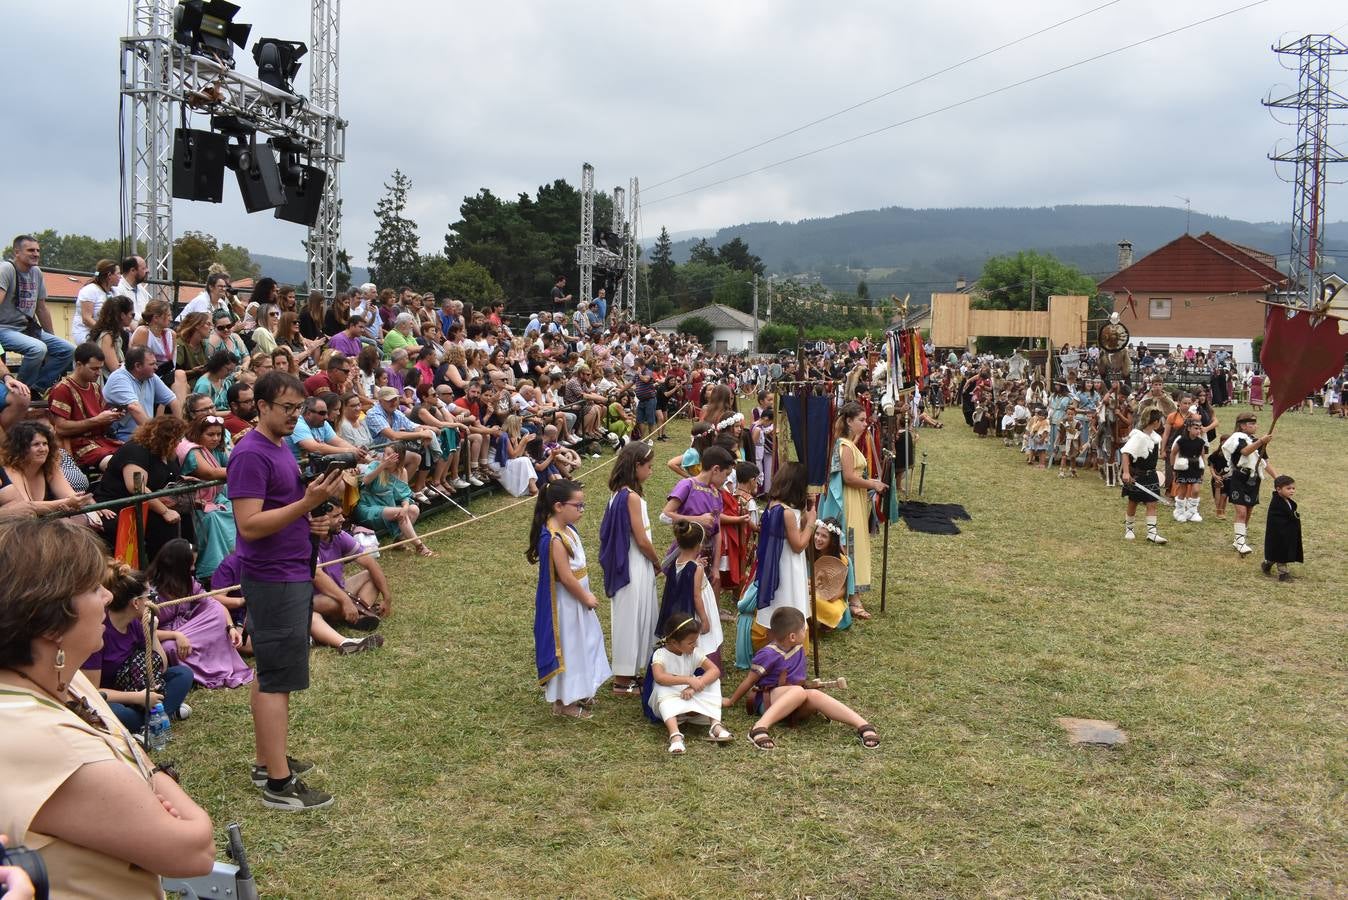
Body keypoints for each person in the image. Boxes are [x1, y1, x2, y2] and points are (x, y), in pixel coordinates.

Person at [0, 522, 215, 896]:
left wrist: (139, 778)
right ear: (51, 620)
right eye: (94, 588)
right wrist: (147, 783)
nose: (105, 598)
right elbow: (194, 850)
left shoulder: (67, 678)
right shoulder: (36, 735)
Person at [228, 371, 346, 810]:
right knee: (278, 678)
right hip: (273, 576)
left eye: (300, 409)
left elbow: (284, 510)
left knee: (271, 673)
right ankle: (278, 785)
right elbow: (250, 525)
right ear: (261, 406)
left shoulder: (280, 448)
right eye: (288, 409)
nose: (296, 417)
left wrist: (312, 518)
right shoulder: (250, 454)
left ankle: (267, 760)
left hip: (291, 570)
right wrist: (307, 505)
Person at [723, 607, 879, 751]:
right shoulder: (768, 654)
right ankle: (759, 727)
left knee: (813, 695)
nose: (806, 632)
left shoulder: (798, 647)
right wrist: (731, 701)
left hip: (794, 699)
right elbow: (750, 681)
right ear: (792, 636)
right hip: (768, 701)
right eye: (803, 630)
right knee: (798, 692)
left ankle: (863, 725)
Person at [528, 479, 611, 720]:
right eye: (578, 505)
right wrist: (585, 596)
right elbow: (565, 576)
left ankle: (582, 689)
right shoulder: (554, 539)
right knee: (571, 648)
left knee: (587, 641)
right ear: (558, 506)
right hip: (566, 604)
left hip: (577, 600)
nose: (581, 510)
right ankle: (564, 703)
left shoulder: (568, 529)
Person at [148, 539, 253, 689]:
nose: (193, 568)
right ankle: (195, 673)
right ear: (177, 565)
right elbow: (143, 630)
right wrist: (176, 636)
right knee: (171, 647)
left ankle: (212, 664)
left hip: (190, 629)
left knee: (215, 610)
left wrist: (230, 627)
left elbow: (215, 605)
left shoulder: (188, 583)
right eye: (190, 564)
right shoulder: (149, 591)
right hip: (164, 636)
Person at [599, 441, 661, 694]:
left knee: (640, 615)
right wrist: (657, 561)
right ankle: (622, 679)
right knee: (630, 618)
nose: (651, 471)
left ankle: (632, 671)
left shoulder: (619, 493)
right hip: (633, 562)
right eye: (649, 466)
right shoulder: (631, 497)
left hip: (635, 561)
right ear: (636, 466)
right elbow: (641, 538)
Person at [818, 401, 884, 619]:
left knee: (856, 545)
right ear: (848, 421)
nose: (865, 424)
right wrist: (872, 484)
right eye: (861, 420)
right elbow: (848, 477)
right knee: (850, 545)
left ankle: (851, 593)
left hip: (854, 499)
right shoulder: (844, 446)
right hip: (847, 501)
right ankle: (853, 597)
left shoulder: (847, 443)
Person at [748, 460, 815, 654]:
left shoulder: (773, 505)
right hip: (788, 567)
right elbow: (798, 545)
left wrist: (805, 513)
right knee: (788, 602)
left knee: (778, 607)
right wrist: (811, 523)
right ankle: (786, 652)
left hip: (776, 565)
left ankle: (773, 652)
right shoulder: (786, 513)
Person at [644, 615, 732, 754]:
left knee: (714, 681)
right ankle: (675, 735)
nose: (695, 645)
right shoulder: (660, 654)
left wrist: (694, 686)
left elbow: (714, 670)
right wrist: (688, 680)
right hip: (669, 703)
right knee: (662, 687)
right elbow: (659, 677)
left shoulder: (694, 652)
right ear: (674, 642)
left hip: (690, 696)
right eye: (691, 642)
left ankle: (715, 725)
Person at [0, 235, 74, 395]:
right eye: (30, 250)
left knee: (67, 349)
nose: (36, 254)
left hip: (27, 329)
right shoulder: (6, 269)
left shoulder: (36, 272)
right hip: (4, 329)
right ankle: (18, 393)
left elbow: (41, 308)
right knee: (38, 348)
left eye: (38, 250)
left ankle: (35, 389)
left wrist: (53, 338)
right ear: (17, 252)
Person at [355, 445, 434, 557]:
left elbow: (404, 496)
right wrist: (382, 466)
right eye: (385, 453)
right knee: (399, 512)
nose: (385, 457)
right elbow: (366, 480)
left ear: (398, 459)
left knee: (414, 509)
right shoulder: (375, 465)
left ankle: (399, 541)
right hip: (369, 506)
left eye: (389, 455)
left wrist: (405, 508)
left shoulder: (402, 472)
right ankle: (420, 546)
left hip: (389, 506)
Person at [1220, 412, 1276, 557]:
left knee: (1249, 511)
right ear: (1242, 426)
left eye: (1255, 423)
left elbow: (1264, 463)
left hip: (1254, 478)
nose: (1255, 426)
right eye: (1251, 424)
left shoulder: (1256, 440)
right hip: (1239, 477)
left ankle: (1239, 539)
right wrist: (1261, 442)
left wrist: (1277, 478)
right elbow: (1244, 452)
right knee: (1241, 511)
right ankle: (1240, 542)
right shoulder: (1237, 438)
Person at [103, 345, 182, 441]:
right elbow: (134, 408)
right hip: (124, 437)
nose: (156, 367)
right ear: (138, 366)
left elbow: (173, 400)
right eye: (152, 364)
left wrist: (180, 433)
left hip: (144, 435)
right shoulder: (119, 379)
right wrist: (156, 438)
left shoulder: (150, 376)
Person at [1119, 408, 1168, 544]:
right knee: (1133, 502)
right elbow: (1125, 452)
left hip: (1151, 475)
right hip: (1137, 475)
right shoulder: (1138, 436)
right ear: (1156, 421)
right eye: (1160, 421)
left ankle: (1152, 533)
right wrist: (1126, 472)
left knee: (1152, 503)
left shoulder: (1155, 438)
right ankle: (1129, 529)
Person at [1261, 475, 1302, 582]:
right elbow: (1276, 519)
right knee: (1280, 552)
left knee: (1276, 553)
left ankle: (1267, 564)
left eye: (1293, 488)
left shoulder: (1287, 501)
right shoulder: (1277, 503)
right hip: (1278, 533)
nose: (1292, 491)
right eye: (1288, 488)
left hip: (1286, 533)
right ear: (1278, 489)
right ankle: (1283, 574)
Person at [1168, 417, 1207, 523]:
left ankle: (1192, 511)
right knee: (1183, 490)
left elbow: (1202, 456)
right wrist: (1173, 468)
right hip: (1183, 468)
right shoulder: (1181, 441)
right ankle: (1179, 511)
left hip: (1196, 468)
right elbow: (1173, 453)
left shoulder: (1200, 442)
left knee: (1196, 490)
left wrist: (1203, 469)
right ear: (1189, 428)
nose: (1198, 431)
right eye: (1195, 428)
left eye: (1199, 428)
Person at [72, 258, 119, 345]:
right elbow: (86, 319)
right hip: (87, 333)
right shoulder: (90, 290)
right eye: (118, 273)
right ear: (109, 275)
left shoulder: (114, 292)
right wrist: (105, 333)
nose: (120, 276)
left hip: (106, 333)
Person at [113, 253, 151, 319]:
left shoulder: (142, 291)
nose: (148, 271)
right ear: (132, 270)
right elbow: (120, 318)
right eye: (144, 268)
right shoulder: (117, 289)